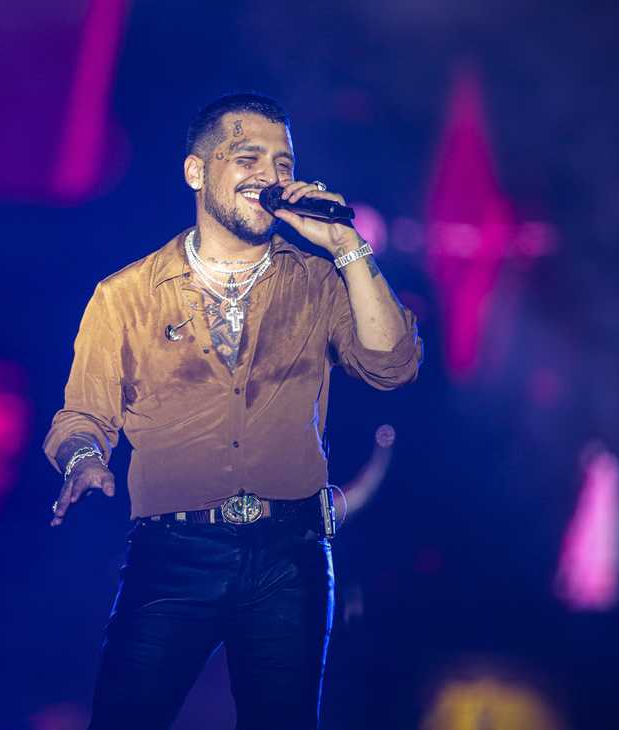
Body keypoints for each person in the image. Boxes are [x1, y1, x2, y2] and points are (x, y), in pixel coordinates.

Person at [43, 93, 423, 730]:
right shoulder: (125, 295)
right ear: (196, 172)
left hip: (291, 551)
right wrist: (84, 460)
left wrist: (346, 244)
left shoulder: (318, 280)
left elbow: (394, 365)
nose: (270, 176)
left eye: (282, 161)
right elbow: (81, 416)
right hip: (173, 550)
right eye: (247, 157)